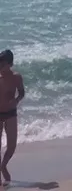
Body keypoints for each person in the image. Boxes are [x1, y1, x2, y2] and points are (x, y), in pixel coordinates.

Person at [0, 50, 23, 187]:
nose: (0, 68)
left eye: (2, 65)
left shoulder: (16, 77)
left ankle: (3, 166)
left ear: (10, 64)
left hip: (11, 113)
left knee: (12, 145)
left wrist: (17, 100)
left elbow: (21, 92)